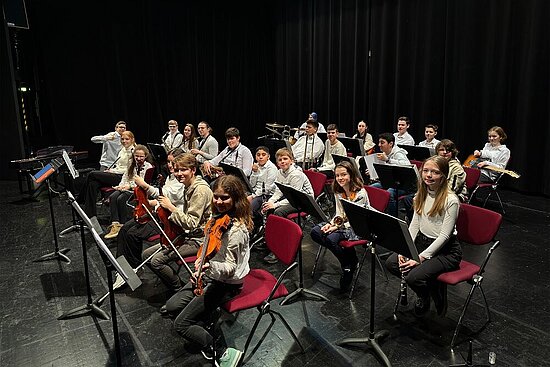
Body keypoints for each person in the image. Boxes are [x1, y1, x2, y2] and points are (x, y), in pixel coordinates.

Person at [162, 175, 252, 367]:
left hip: (226, 283)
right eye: (216, 197)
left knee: (181, 324)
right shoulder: (216, 218)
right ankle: (206, 319)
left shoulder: (236, 230)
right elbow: (207, 244)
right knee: (171, 307)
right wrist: (200, 264)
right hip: (210, 275)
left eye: (225, 198)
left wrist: (209, 267)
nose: (219, 202)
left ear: (235, 199)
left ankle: (223, 352)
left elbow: (230, 269)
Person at [385, 155, 462, 316]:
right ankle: (427, 289)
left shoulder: (451, 200)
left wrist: (419, 258)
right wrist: (405, 248)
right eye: (426, 171)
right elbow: (415, 224)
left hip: (446, 251)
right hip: (422, 242)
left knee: (413, 277)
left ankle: (428, 293)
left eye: (434, 172)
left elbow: (444, 236)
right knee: (392, 263)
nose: (428, 175)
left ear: (443, 176)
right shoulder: (421, 194)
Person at [139, 153, 213, 291]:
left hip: (200, 239)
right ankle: (177, 285)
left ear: (193, 170)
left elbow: (192, 223)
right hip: (188, 234)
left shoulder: (200, 190)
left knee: (156, 261)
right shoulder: (188, 186)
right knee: (146, 255)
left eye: (183, 169)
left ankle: (177, 289)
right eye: (177, 170)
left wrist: (171, 207)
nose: (179, 173)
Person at [112, 148, 186, 287]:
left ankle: (135, 268)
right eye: (168, 162)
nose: (170, 165)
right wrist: (151, 202)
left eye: (173, 162)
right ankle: (122, 268)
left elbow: (167, 195)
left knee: (132, 233)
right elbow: (164, 198)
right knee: (125, 228)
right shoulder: (171, 176)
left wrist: (145, 186)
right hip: (161, 213)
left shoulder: (181, 181)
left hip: (169, 222)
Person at [310, 161, 369, 291]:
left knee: (331, 239)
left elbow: (354, 219)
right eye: (337, 175)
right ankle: (350, 260)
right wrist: (331, 224)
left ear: (351, 175)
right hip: (343, 223)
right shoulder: (338, 191)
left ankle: (347, 265)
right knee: (316, 232)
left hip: (357, 227)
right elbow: (339, 213)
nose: (340, 178)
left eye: (343, 175)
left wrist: (335, 227)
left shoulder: (360, 193)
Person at [261, 148, 314, 263]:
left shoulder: (296, 174)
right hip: (291, 198)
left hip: (304, 201)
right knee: (269, 209)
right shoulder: (280, 172)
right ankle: (270, 241)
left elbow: (295, 197)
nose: (283, 161)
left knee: (278, 212)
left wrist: (276, 205)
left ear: (291, 161)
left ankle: (280, 247)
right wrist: (271, 202)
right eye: (280, 160)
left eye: (285, 159)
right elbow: (279, 191)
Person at [78, 130, 137, 220]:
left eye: (127, 139)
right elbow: (119, 165)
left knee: (92, 174)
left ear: (132, 140)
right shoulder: (123, 149)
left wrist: (113, 172)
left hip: (122, 178)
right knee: (93, 183)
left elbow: (128, 170)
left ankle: (80, 199)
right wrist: (112, 170)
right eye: (122, 139)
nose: (124, 141)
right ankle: (90, 216)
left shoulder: (133, 152)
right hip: (116, 174)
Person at [104, 145, 154, 239]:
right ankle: (115, 224)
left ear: (146, 156)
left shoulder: (148, 167)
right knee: (113, 196)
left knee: (121, 199)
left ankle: (123, 224)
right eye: (136, 156)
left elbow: (142, 184)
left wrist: (129, 186)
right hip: (127, 188)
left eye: (141, 156)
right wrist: (121, 185)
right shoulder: (131, 163)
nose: (138, 158)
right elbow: (125, 177)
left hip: (138, 190)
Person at [370, 132, 413, 215]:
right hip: (390, 182)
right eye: (379, 142)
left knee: (390, 193)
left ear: (391, 144)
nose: (379, 145)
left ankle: (392, 217)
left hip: (403, 185)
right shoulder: (384, 153)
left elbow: (407, 166)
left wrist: (388, 160)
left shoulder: (399, 153)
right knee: (372, 187)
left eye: (382, 143)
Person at [247, 146, 278, 234]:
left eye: (263, 155)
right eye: (258, 155)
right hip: (256, 192)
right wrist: (255, 172)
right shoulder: (256, 166)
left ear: (268, 157)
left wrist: (252, 196)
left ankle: (253, 229)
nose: (260, 157)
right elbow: (252, 184)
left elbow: (267, 189)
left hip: (266, 194)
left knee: (250, 207)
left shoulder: (271, 168)